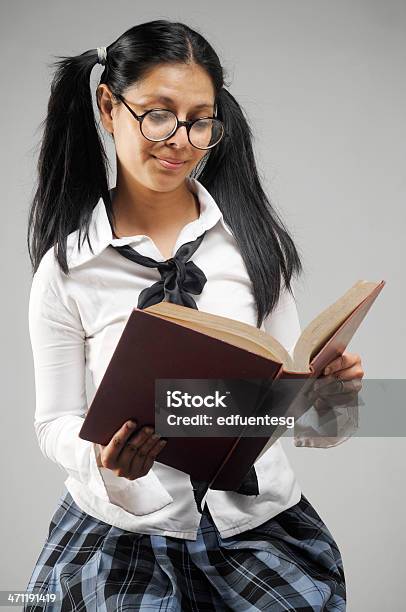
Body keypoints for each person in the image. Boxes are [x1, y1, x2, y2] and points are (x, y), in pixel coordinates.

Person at [25, 19, 364, 611]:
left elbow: (299, 423)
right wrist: (103, 461)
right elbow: (53, 420)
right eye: (157, 113)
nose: (180, 139)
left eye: (200, 119)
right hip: (122, 532)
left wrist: (334, 398)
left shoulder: (253, 247)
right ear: (109, 108)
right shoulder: (68, 269)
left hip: (256, 530)